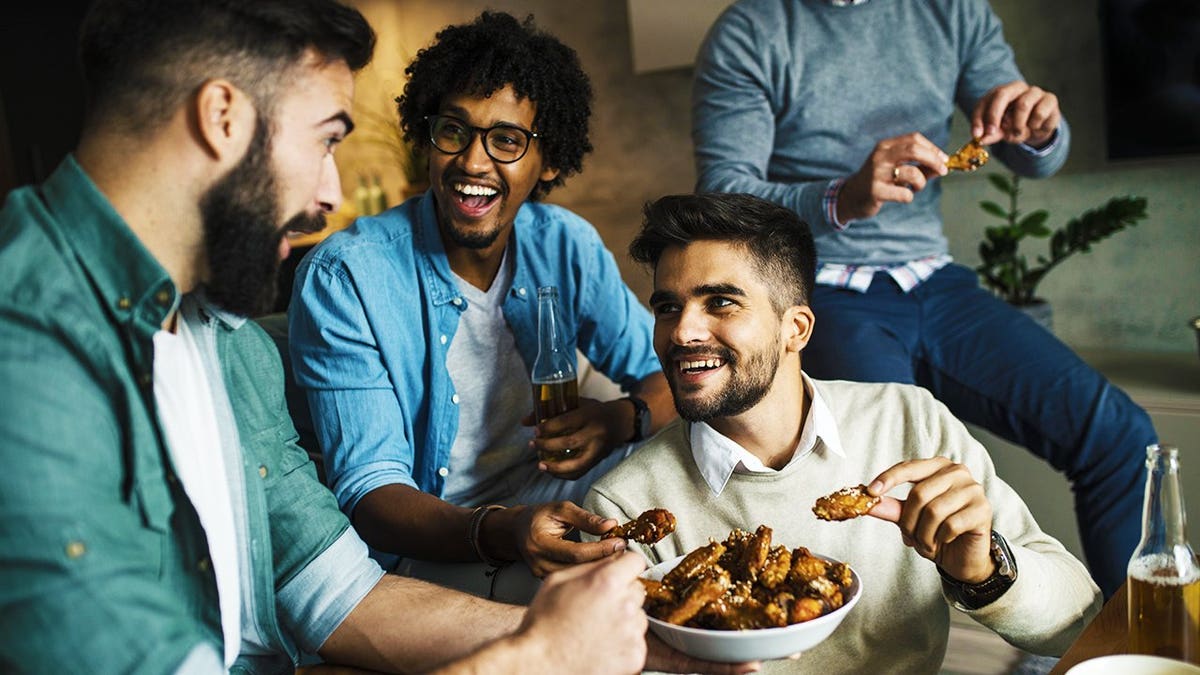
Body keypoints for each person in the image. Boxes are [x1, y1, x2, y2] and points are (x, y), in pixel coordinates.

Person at [0, 2, 724, 673]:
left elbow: (335, 590)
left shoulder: (228, 342)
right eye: (326, 141)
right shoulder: (27, 343)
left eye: (505, 140)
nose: (331, 198)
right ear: (222, 118)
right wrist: (536, 651)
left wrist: (635, 645)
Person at [690, 0, 1155, 598]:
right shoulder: (752, 30)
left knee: (1122, 437)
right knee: (885, 497)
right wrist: (844, 197)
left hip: (935, 282)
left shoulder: (952, 11)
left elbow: (1034, 150)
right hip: (824, 288)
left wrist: (1039, 129)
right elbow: (722, 194)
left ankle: (1128, 648)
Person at [584, 192, 1102, 673]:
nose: (682, 331)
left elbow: (1078, 621)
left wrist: (983, 569)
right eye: (667, 306)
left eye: (720, 302)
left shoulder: (909, 422)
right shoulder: (625, 505)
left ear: (797, 329)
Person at [288, 11, 674, 599]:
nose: (472, 162)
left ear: (548, 161)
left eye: (507, 140)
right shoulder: (347, 276)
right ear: (427, 136)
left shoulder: (564, 244)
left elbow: (666, 374)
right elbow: (369, 494)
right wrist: (507, 529)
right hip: (435, 546)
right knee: (615, 601)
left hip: (551, 503)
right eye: (453, 131)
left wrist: (621, 418)